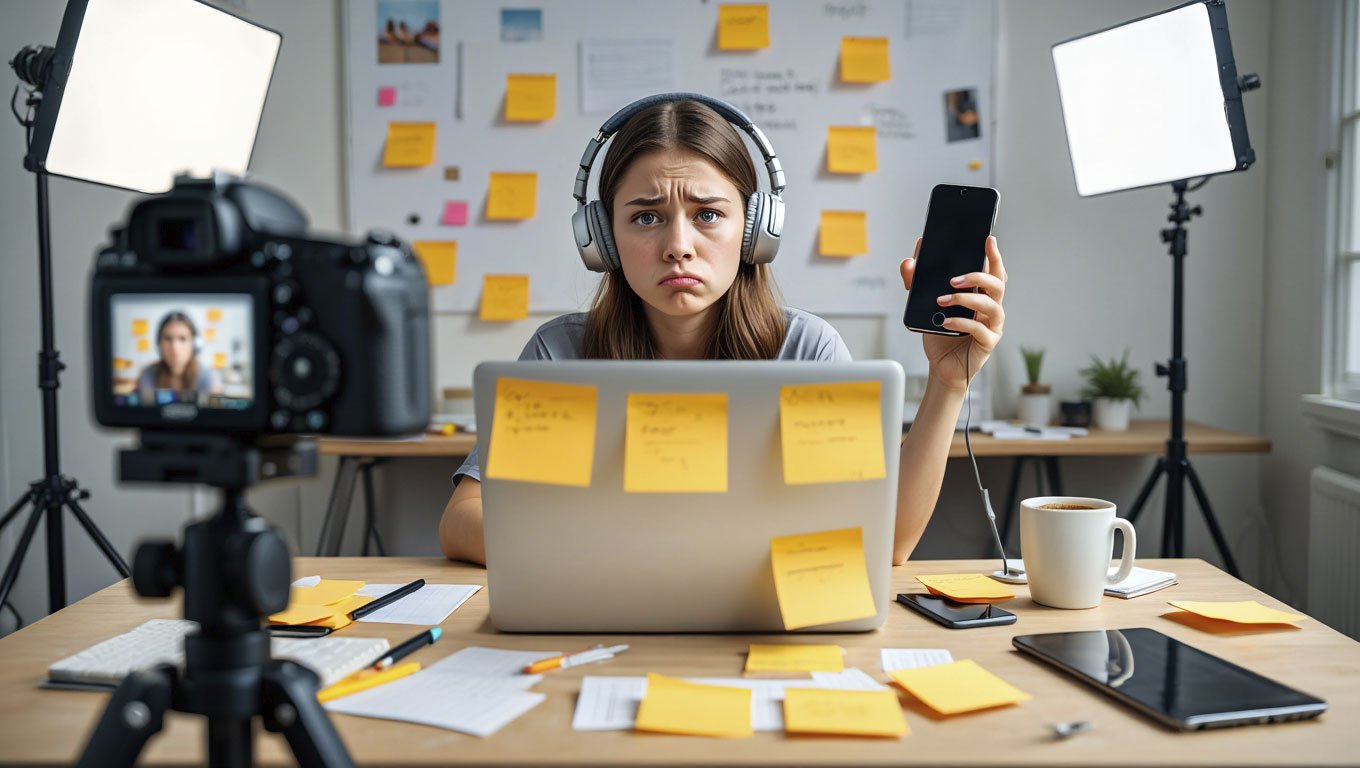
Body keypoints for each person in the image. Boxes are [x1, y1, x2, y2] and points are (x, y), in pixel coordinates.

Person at [438, 96, 1006, 566]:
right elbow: (464, 520)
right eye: (645, 216)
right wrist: (627, 555)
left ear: (755, 231)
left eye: (708, 213)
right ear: (602, 239)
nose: (678, 244)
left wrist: (947, 382)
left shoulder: (805, 353)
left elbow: (887, 542)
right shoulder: (562, 355)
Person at [135, 311, 222, 397]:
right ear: (159, 344)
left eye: (182, 339)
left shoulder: (207, 376)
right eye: (168, 339)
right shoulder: (147, 374)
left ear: (194, 345)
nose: (174, 347)